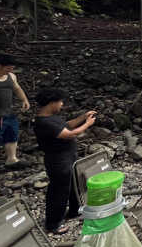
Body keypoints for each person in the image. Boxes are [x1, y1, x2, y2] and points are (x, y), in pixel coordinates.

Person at [33, 87, 96, 234]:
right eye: (60, 101)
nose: (62, 104)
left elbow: (67, 125)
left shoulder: (52, 118)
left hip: (68, 157)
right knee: (59, 191)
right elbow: (69, 134)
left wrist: (83, 117)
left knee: (74, 186)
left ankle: (75, 211)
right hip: (58, 160)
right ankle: (53, 224)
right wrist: (87, 125)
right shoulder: (43, 122)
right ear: (51, 103)